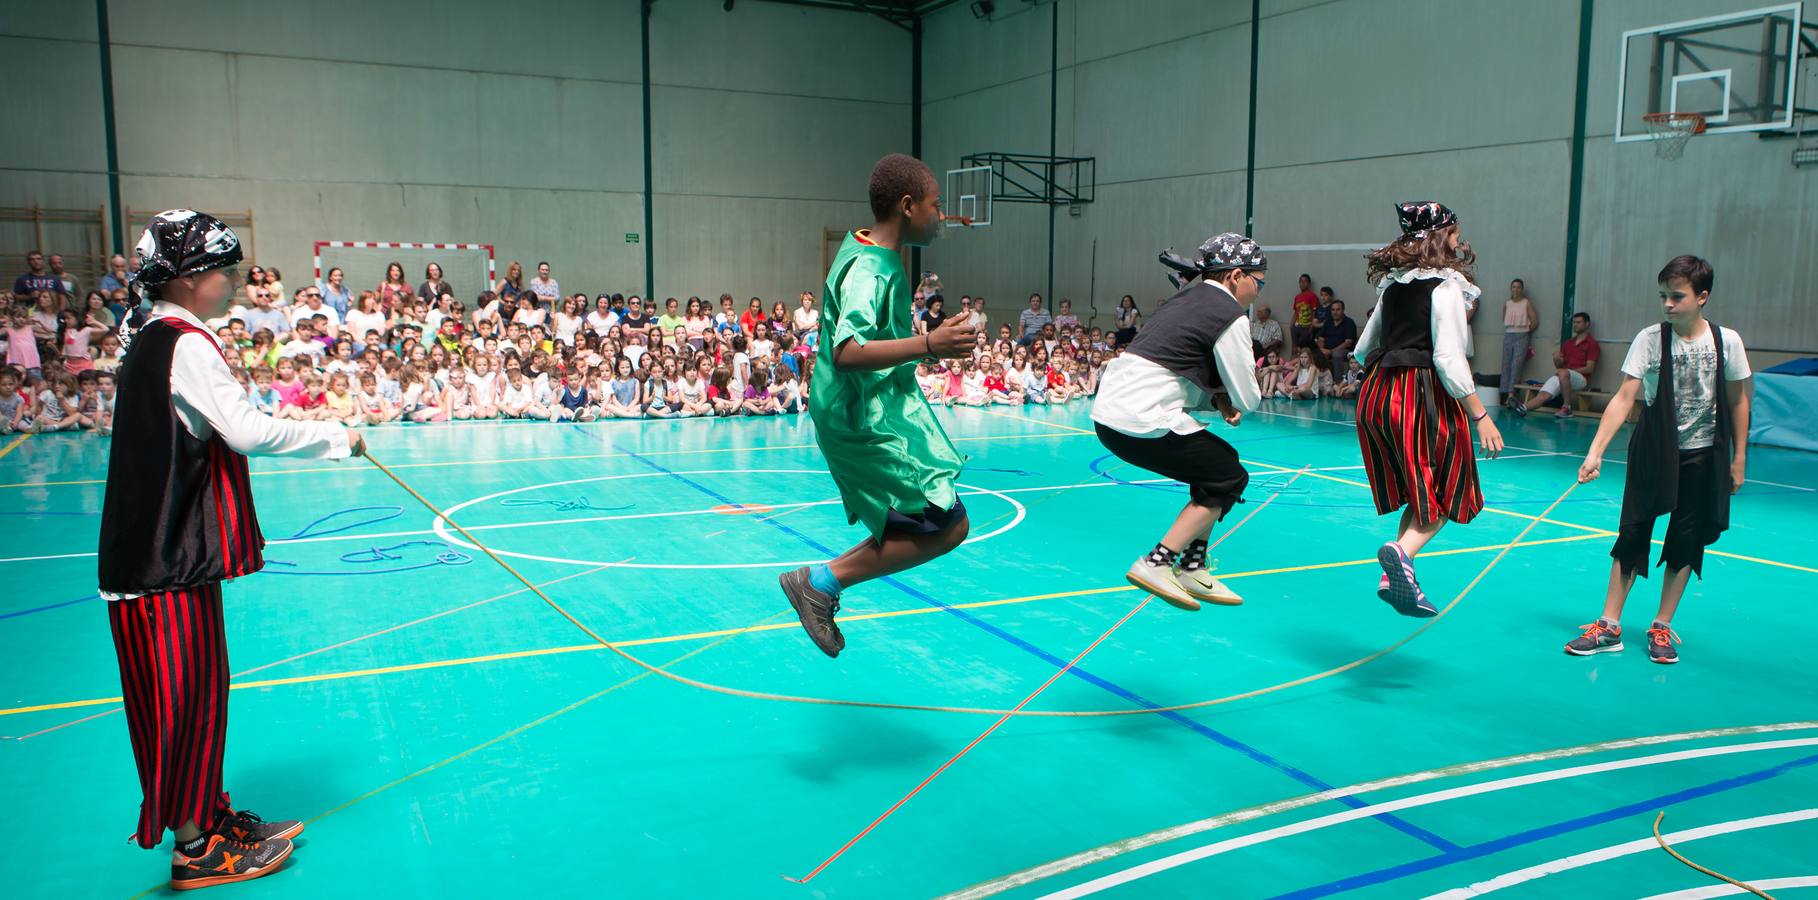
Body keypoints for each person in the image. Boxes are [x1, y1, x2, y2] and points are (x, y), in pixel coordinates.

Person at [98, 210, 365, 891]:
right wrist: (337, 437)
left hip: (177, 558)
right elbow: (243, 431)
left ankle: (209, 818)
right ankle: (195, 849)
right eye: (225, 272)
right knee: (178, 702)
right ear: (188, 280)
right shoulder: (180, 343)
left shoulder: (163, 334)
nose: (235, 283)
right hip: (157, 565)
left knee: (202, 693)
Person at [778, 153, 977, 658]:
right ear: (908, 207)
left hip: (876, 407)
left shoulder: (873, 253)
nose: (941, 217)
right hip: (858, 415)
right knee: (947, 525)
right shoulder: (871, 268)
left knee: (933, 523)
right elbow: (847, 352)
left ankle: (820, 583)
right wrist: (929, 345)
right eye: (935, 206)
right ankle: (820, 583)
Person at [1568, 255, 1751, 665]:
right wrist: (1595, 452)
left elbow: (1739, 401)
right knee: (1632, 533)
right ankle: (1609, 625)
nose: (1667, 304)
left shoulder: (1728, 342)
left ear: (1702, 297)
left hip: (1703, 454)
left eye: (1677, 296)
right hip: (1654, 450)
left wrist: (1738, 458)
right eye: (1663, 296)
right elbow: (1623, 398)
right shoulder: (1650, 339)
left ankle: (1662, 626)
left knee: (1686, 540)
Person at [1092, 233, 1264, 610]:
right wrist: (1233, 398)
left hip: (1109, 415)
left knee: (1214, 470)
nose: (1259, 289)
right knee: (1229, 475)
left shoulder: (1185, 298)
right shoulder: (1230, 314)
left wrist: (1216, 397)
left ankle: (1193, 565)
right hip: (1143, 417)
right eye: (1259, 281)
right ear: (1237, 275)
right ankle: (1159, 562)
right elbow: (1249, 397)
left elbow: (1174, 363)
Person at [1352, 201, 1503, 617]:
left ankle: (1397, 571)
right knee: (1448, 487)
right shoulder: (1445, 287)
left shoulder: (1394, 288)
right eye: (1454, 231)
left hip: (1377, 393)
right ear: (1442, 236)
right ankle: (1400, 552)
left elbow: (1364, 349)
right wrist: (1481, 414)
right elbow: (1449, 359)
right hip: (1419, 394)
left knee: (1418, 490)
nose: (1459, 239)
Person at [1514, 311, 1600, 418]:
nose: (1575, 325)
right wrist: (1556, 359)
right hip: (1563, 376)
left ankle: (1567, 408)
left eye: (1578, 322)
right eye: (1574, 323)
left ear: (1587, 324)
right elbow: (1560, 367)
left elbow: (1590, 369)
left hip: (1581, 380)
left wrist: (1566, 372)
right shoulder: (1568, 343)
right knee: (1544, 394)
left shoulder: (1592, 344)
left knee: (1563, 373)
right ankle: (1524, 408)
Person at [1499, 278, 1538, 406]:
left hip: (1522, 335)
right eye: (1514, 287)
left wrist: (1525, 331)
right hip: (1509, 334)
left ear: (1522, 289)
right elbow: (1504, 317)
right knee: (1506, 364)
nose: (1516, 289)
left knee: (1516, 364)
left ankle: (1511, 394)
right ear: (1511, 289)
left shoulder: (1526, 302)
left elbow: (1534, 321)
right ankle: (1503, 393)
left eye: (1518, 287)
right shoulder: (1507, 303)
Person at [1315, 298, 1358, 373]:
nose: (1335, 312)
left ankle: (1338, 381)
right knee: (1310, 352)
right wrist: (1322, 350)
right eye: (1333, 310)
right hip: (1326, 349)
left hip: (1344, 351)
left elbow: (1348, 342)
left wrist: (1331, 351)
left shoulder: (1349, 322)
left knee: (1336, 354)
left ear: (1343, 310)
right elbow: (1321, 338)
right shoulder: (1328, 321)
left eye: (1338, 310)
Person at [1289, 274, 1318, 348]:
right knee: (1294, 348)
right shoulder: (1297, 297)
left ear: (1309, 284)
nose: (1303, 283)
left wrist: (1311, 327)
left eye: (1305, 281)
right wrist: (1291, 325)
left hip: (1307, 327)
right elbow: (1296, 312)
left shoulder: (1312, 296)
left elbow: (1315, 312)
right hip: (1297, 326)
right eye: (1301, 281)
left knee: (1303, 349)